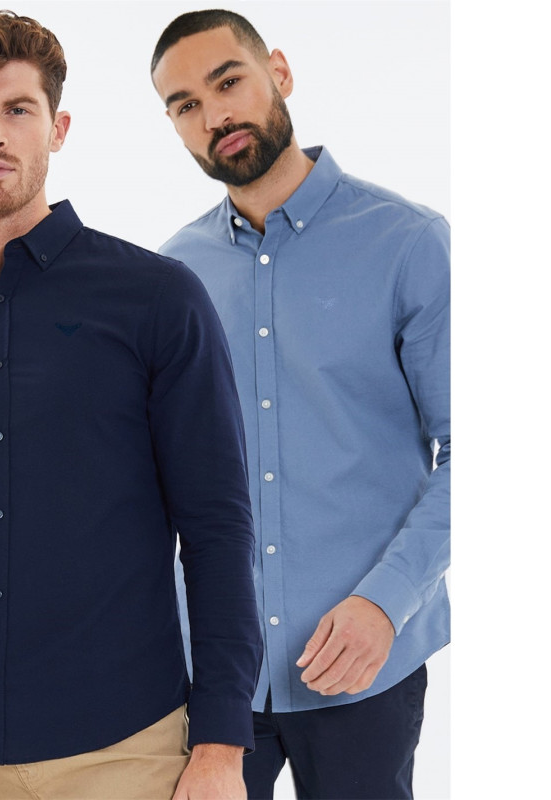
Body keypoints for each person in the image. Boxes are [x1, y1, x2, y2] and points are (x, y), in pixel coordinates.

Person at [0, 10, 262, 800]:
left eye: (18, 109)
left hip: (127, 749)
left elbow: (216, 530)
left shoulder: (158, 301)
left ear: (58, 127)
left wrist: (220, 746)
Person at [150, 10, 449, 800]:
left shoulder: (408, 243)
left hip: (364, 665)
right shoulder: (171, 278)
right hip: (210, 675)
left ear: (278, 72)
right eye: (185, 105)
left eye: (228, 82)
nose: (215, 116)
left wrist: (386, 603)